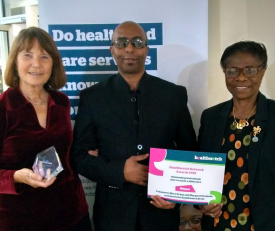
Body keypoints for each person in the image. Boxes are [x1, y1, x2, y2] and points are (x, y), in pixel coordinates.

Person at [70, 21, 198, 231]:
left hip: (161, 213)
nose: (129, 48)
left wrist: (176, 195)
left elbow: (189, 151)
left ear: (147, 49)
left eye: (137, 42)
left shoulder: (173, 95)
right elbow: (79, 156)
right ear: (112, 50)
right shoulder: (93, 97)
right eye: (122, 42)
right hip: (113, 215)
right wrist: (120, 171)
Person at [0, 27, 91, 231]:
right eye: (28, 55)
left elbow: (64, 153)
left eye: (44, 56)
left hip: (72, 214)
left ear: (53, 64)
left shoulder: (61, 101)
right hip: (21, 220)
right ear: (15, 61)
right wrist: (16, 177)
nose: (36, 64)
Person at [198, 41, 275, 231]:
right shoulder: (211, 117)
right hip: (219, 225)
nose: (241, 77)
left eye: (250, 70)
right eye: (232, 70)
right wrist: (202, 203)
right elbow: (202, 172)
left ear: (262, 71)